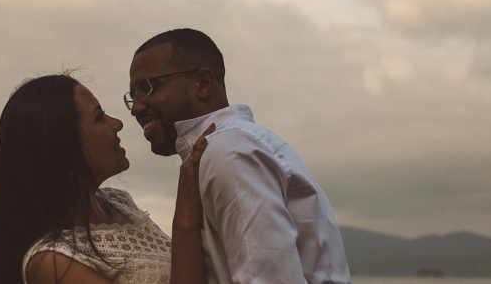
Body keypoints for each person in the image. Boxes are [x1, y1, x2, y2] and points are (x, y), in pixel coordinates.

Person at [126, 29, 352, 284]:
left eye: (147, 87)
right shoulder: (228, 148)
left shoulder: (228, 152)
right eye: (132, 94)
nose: (136, 108)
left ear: (202, 83)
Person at [0, 73, 213, 284]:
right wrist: (187, 206)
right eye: (100, 117)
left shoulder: (120, 204)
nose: (117, 123)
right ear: (64, 148)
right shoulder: (52, 262)